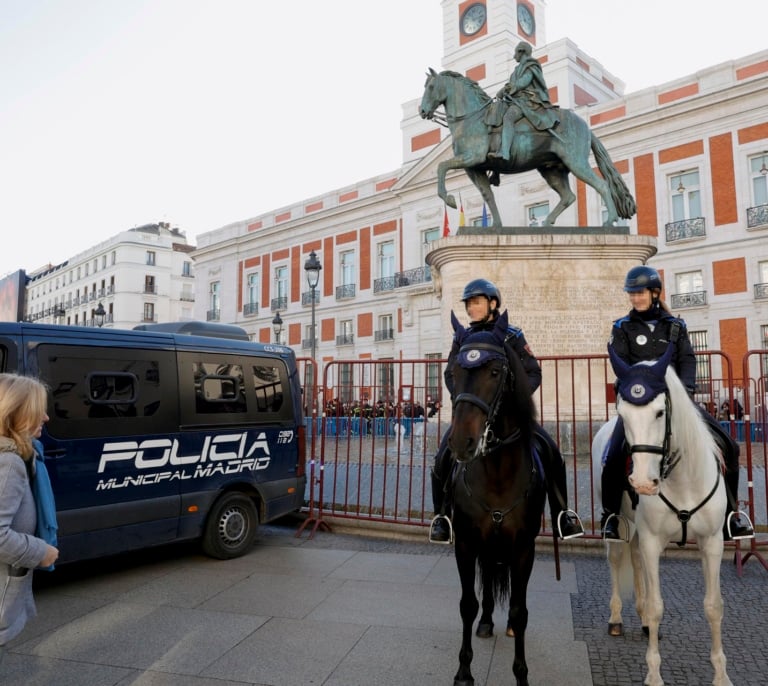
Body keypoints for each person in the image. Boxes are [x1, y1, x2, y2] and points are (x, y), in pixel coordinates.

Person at [600, 266, 754, 541]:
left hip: (679, 403)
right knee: (613, 455)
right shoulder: (621, 327)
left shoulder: (675, 326)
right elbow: (621, 366)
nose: (636, 298)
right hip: (641, 406)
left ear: (655, 293)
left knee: (729, 446)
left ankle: (731, 516)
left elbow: (687, 360)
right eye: (632, 293)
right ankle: (611, 516)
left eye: (641, 292)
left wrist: (686, 392)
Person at [429, 279, 584, 543]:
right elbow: (450, 373)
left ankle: (562, 514)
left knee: (552, 452)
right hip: (475, 414)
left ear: (493, 303)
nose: (471, 308)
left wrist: (514, 400)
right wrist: (464, 401)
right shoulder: (462, 338)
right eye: (468, 304)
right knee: (443, 455)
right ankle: (442, 516)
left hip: (510, 415)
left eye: (476, 302)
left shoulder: (512, 335)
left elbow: (532, 372)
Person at [0, 374, 59, 659]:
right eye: (38, 410)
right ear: (15, 414)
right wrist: (41, 552)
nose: (46, 417)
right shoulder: (9, 463)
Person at [488, 41, 560, 162]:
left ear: (521, 52)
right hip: (514, 100)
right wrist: (503, 91)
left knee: (508, 118)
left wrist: (508, 88)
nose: (514, 56)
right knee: (496, 112)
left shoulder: (530, 66)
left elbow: (524, 81)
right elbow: (511, 85)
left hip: (526, 101)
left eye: (515, 53)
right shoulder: (516, 70)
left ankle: (504, 152)